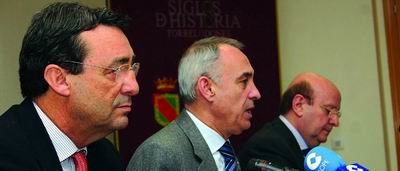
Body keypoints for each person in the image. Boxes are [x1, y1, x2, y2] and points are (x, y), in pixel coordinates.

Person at [0, 2, 139, 171]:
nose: (133, 87)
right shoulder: (7, 153)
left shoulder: (106, 155)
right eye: (115, 70)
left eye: (133, 68)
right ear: (59, 80)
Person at [126, 36, 261, 171]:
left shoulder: (226, 153)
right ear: (207, 88)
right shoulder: (160, 153)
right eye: (244, 81)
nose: (256, 93)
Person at [238, 72, 341, 170]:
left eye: (337, 114)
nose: (335, 122)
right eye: (329, 110)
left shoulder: (301, 149)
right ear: (299, 105)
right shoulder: (267, 146)